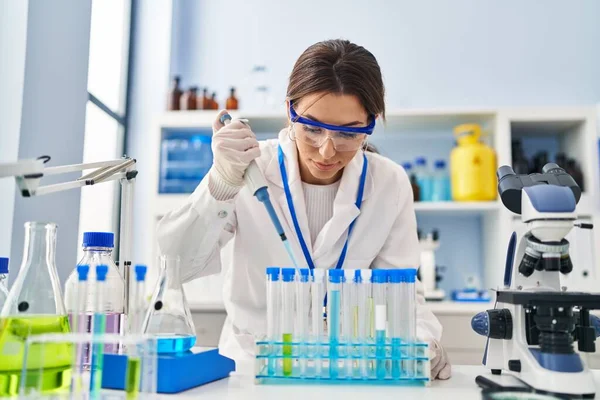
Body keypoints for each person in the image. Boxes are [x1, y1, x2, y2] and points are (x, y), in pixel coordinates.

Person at [157, 39, 451, 380]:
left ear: (371, 123)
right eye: (311, 128)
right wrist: (222, 182)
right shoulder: (248, 169)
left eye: (349, 134)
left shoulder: (388, 182)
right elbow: (176, 266)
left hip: (351, 373)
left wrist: (423, 343)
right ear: (289, 111)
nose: (327, 151)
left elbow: (400, 292)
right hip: (253, 372)